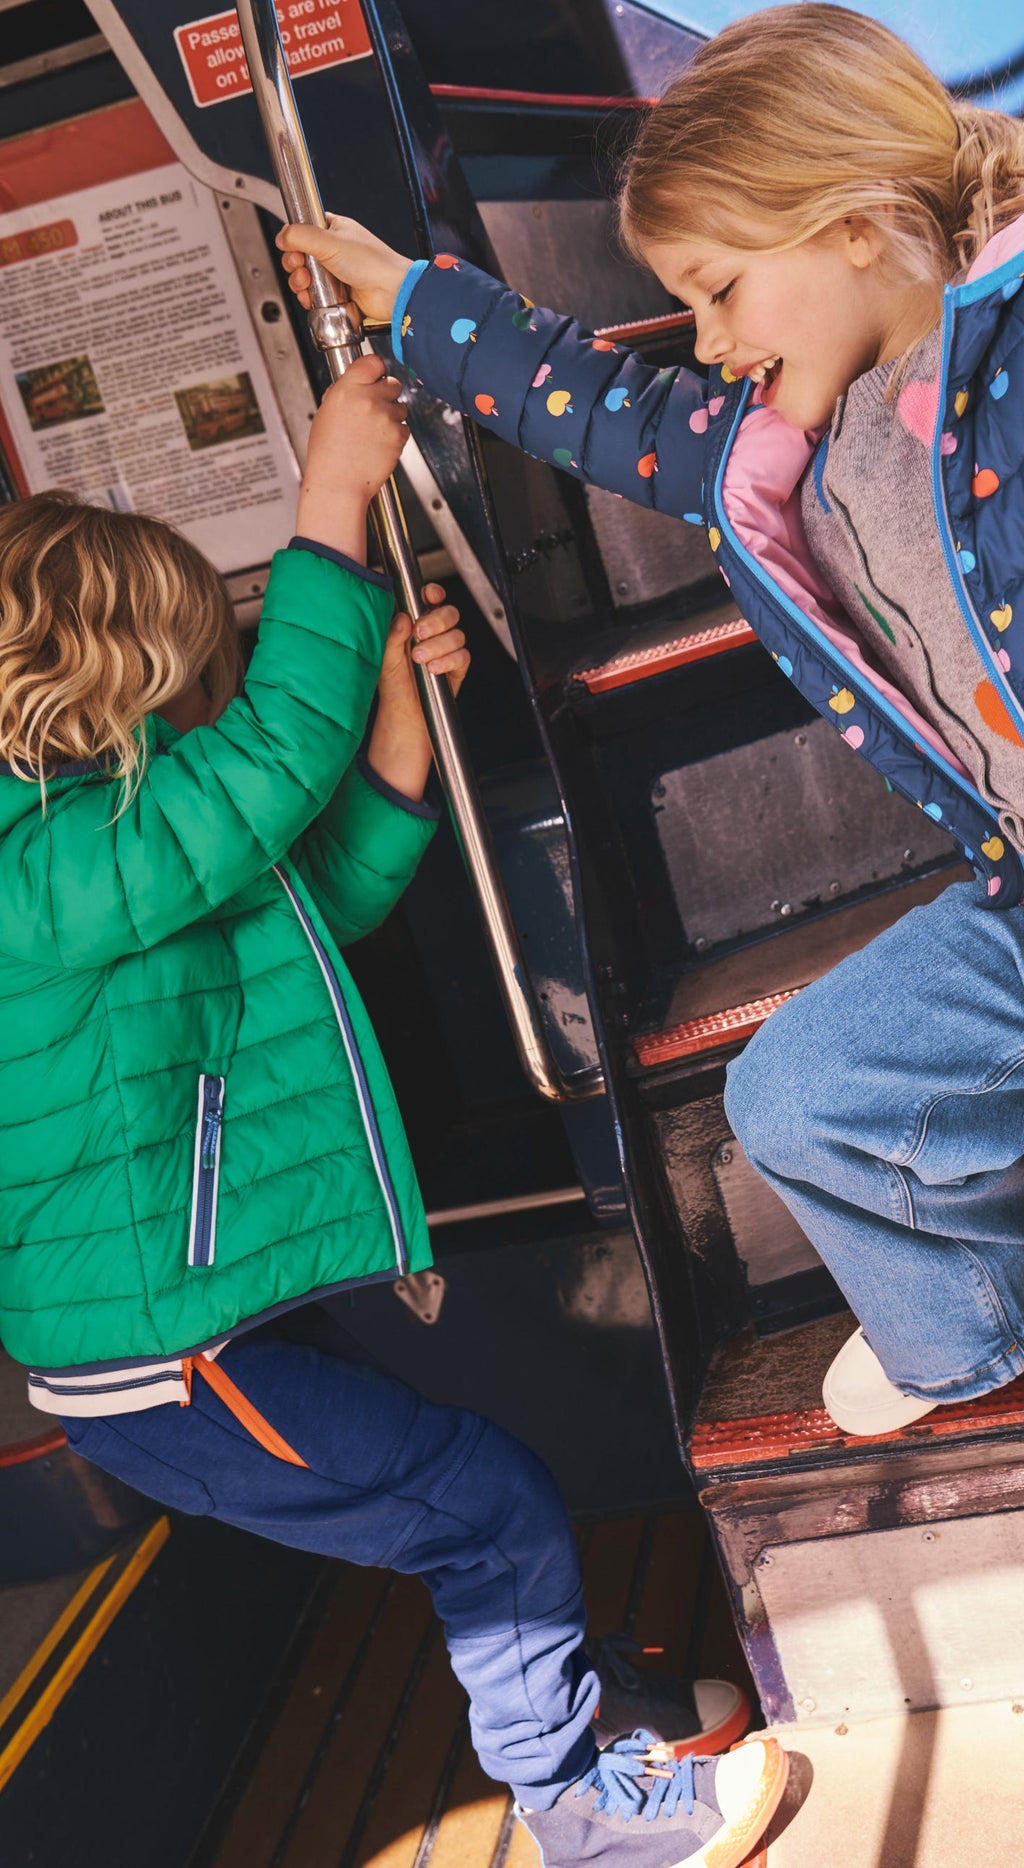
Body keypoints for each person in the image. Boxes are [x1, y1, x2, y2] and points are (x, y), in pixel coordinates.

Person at [274, 6, 1024, 1859]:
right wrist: (412, 299)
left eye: (726, 291)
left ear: (861, 222)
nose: (714, 341)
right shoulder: (791, 435)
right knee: (805, 1090)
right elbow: (615, 408)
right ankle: (973, 1322)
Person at [0, 354, 786, 1868]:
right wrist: (333, 500)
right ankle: (587, 1815)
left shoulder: (138, 836)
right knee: (481, 1501)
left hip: (224, 1312)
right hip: (160, 1359)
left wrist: (398, 707)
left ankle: (570, 1711)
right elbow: (266, 768)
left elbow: (336, 897)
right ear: (121, 665)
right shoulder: (35, 862)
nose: (226, 689)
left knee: (464, 1512)